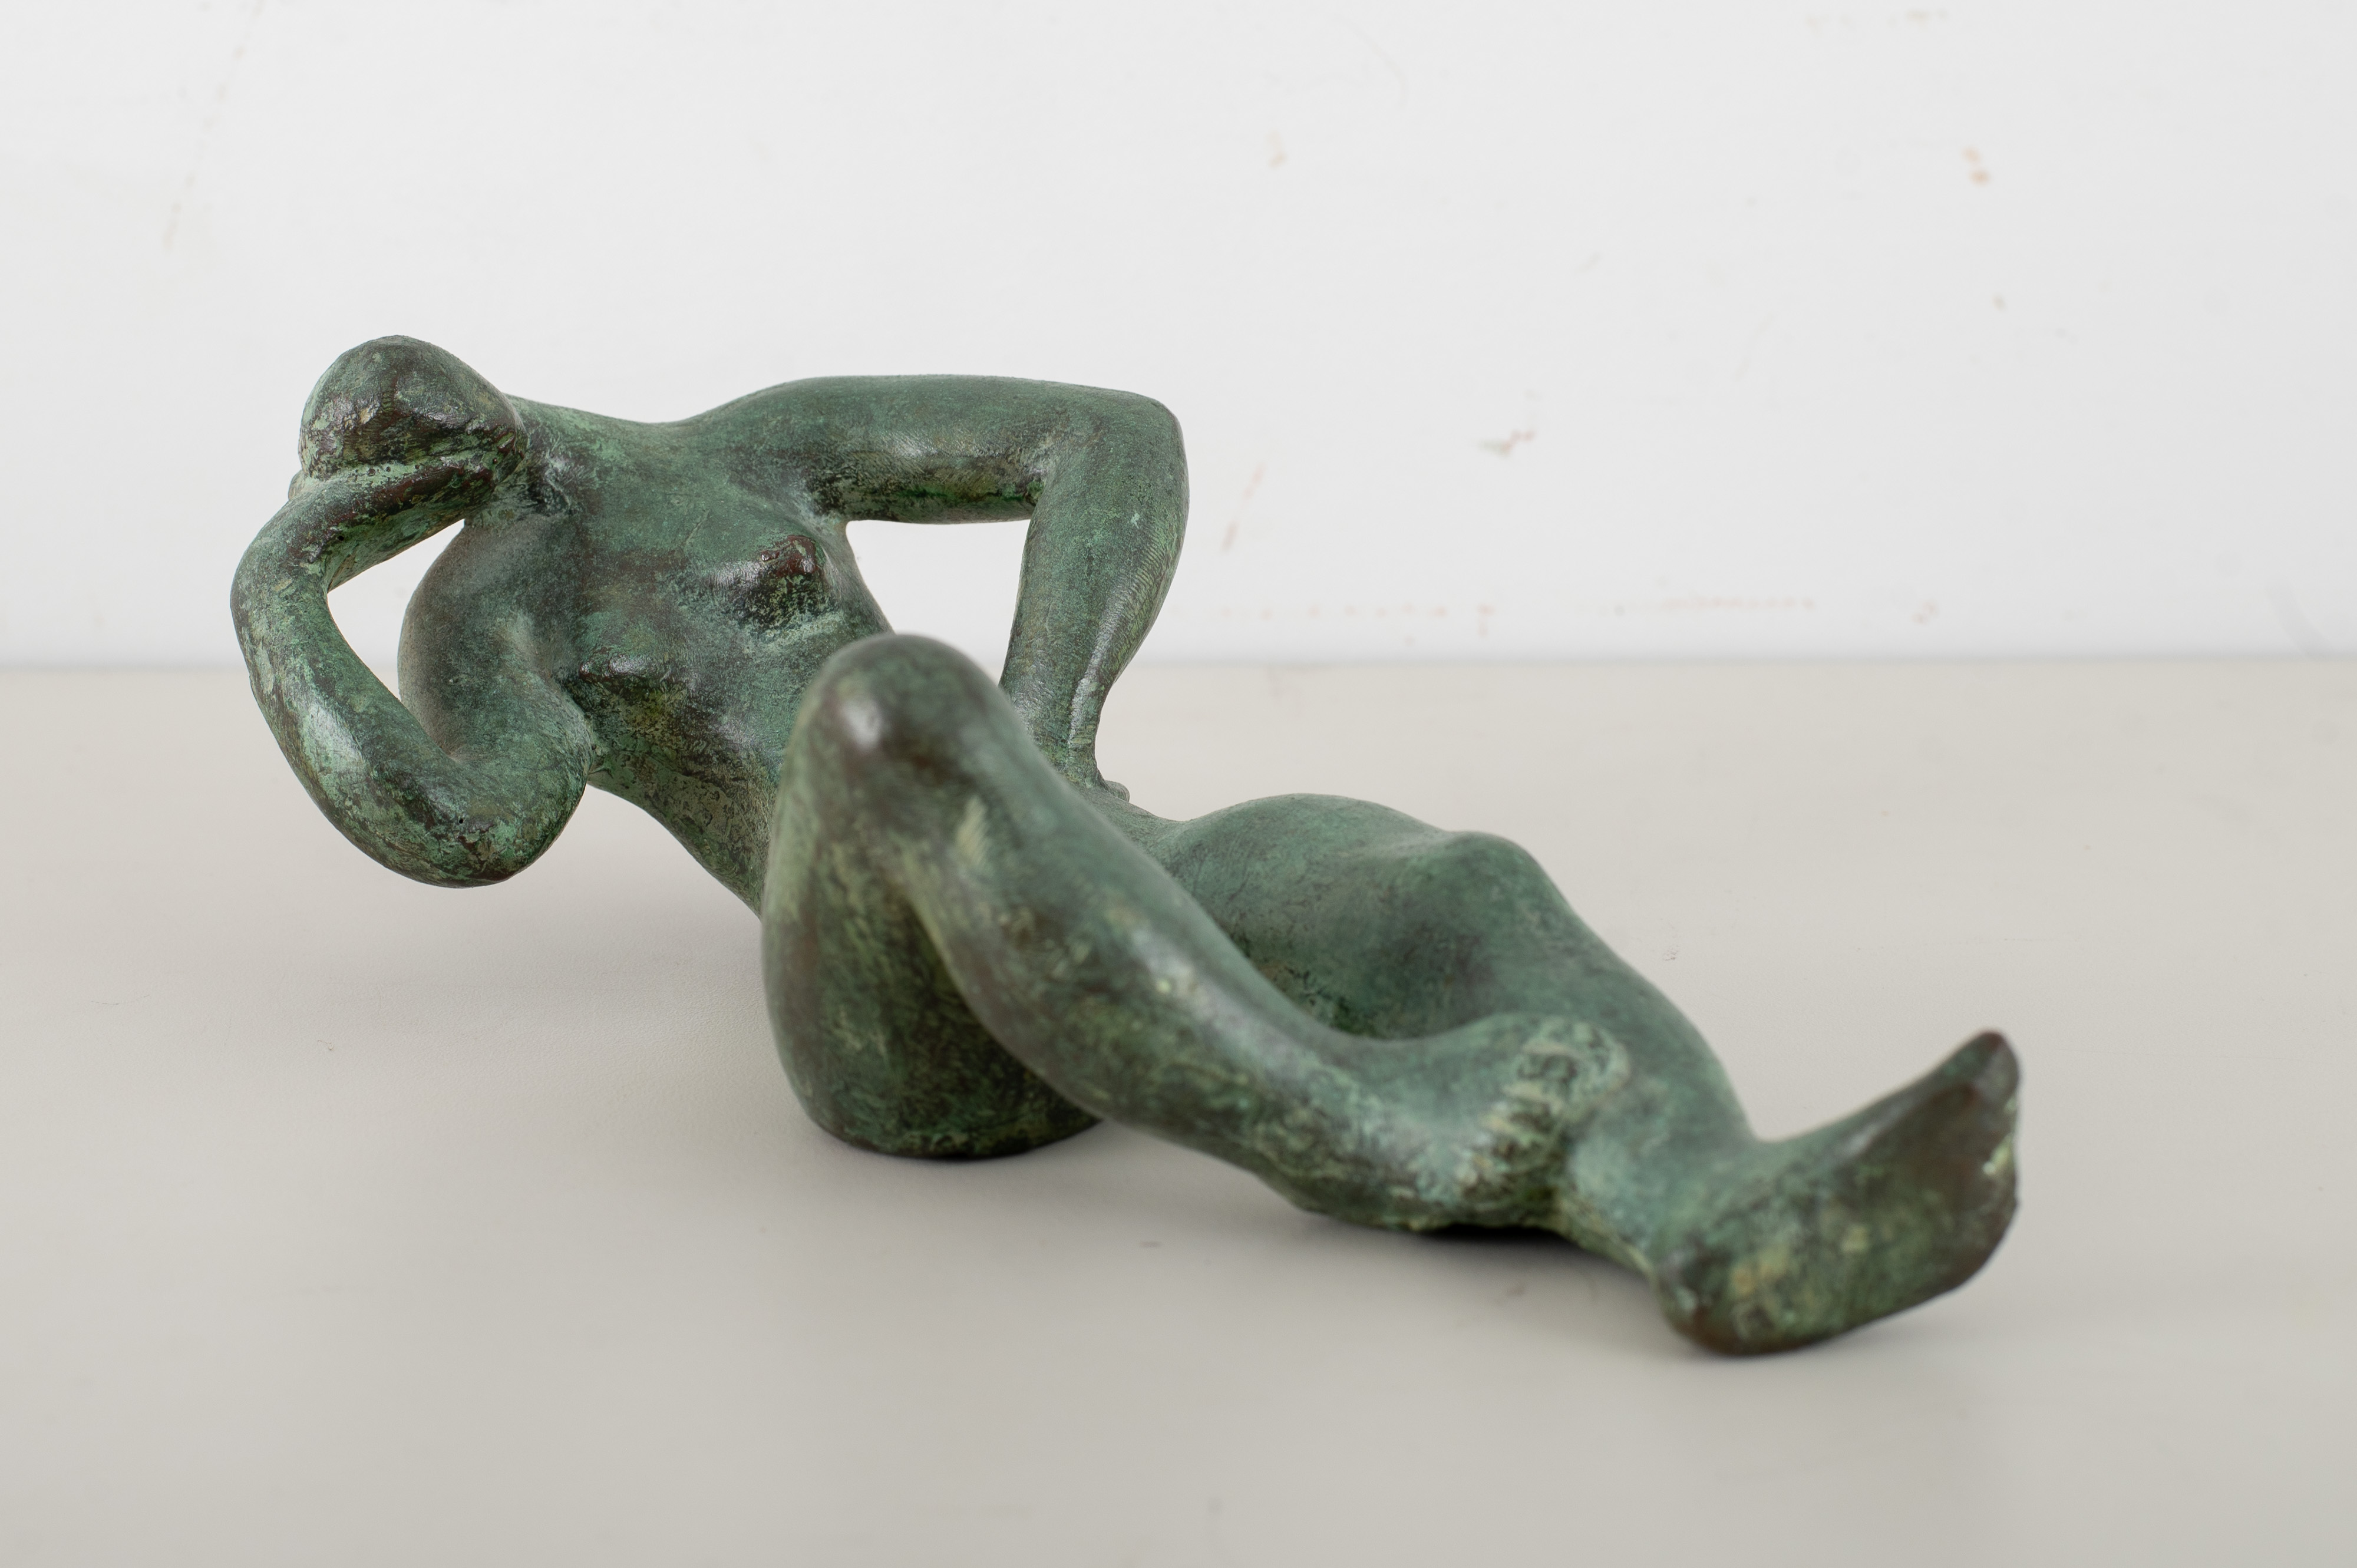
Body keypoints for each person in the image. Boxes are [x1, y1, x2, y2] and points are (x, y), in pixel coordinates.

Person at [232, 336, 2018, 1354]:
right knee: (886, 711)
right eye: (370, 453)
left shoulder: (742, 450)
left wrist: (1053, 718)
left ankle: (1713, 1212)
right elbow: (467, 828)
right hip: (899, 1009)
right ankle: (1365, 1123)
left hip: (1106, 866)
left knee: (1459, 886)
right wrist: (279, 591)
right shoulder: (483, 621)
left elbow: (1106, 442)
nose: (413, 420)